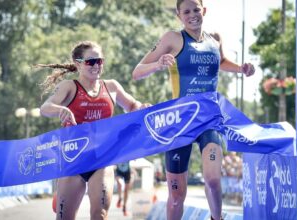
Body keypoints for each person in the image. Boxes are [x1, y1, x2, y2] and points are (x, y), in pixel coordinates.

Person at [132, 0, 255, 219]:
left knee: (214, 180)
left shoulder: (214, 38)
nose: (192, 15)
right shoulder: (173, 38)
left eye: (196, 10)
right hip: (180, 122)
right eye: (186, 12)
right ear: (179, 15)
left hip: (209, 120)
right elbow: (137, 71)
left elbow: (222, 61)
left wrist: (241, 69)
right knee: (177, 195)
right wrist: (158, 64)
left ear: (204, 11)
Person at [39, 41, 149, 220]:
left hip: (102, 158)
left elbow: (132, 105)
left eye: (100, 61)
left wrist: (141, 107)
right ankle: (60, 194)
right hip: (73, 160)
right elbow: (45, 108)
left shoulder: (111, 87)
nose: (96, 65)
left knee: (100, 215)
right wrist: (60, 109)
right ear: (78, 64)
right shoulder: (70, 87)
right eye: (91, 62)